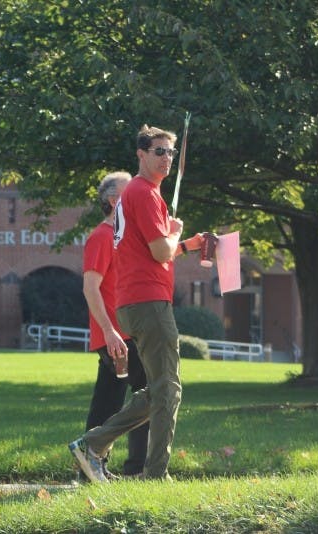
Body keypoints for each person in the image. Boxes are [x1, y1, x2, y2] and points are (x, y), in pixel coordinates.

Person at [69, 125, 204, 482]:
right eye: (159, 151)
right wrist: (175, 232)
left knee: (159, 389)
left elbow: (159, 251)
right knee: (168, 390)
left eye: (171, 153)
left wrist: (186, 243)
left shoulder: (145, 196)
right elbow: (161, 250)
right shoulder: (143, 193)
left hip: (140, 302)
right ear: (141, 154)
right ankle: (154, 474)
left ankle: (93, 445)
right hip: (147, 301)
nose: (167, 159)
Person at [79, 172, 149, 479]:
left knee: (114, 401)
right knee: (146, 392)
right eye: (128, 194)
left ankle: (94, 469)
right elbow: (90, 288)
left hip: (127, 334)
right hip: (116, 337)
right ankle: (133, 468)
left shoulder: (124, 238)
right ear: (113, 201)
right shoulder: (102, 237)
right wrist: (109, 332)